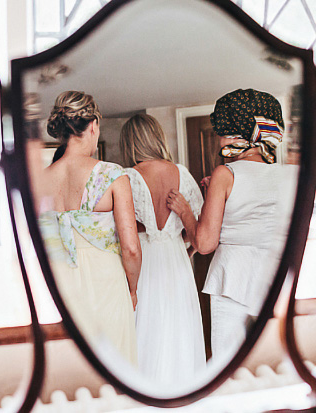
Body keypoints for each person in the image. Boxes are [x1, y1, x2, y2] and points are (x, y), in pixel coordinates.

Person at [167, 88, 286, 361]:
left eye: (220, 132)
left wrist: (185, 211)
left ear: (234, 134)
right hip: (276, 274)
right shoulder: (291, 174)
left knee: (228, 365)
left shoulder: (225, 174)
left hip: (234, 278)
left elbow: (205, 244)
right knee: (269, 361)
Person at [41, 91, 141, 365]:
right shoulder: (112, 175)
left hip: (59, 285)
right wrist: (132, 289)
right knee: (115, 369)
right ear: (94, 124)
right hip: (106, 283)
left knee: (71, 370)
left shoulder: (42, 180)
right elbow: (131, 248)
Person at [120, 114, 205, 384]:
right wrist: (186, 252)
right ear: (158, 137)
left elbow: (122, 235)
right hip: (175, 259)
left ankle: (146, 393)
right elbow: (199, 228)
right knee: (179, 327)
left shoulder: (127, 178)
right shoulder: (182, 174)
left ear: (130, 143)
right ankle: (182, 391)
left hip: (143, 262)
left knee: (145, 327)